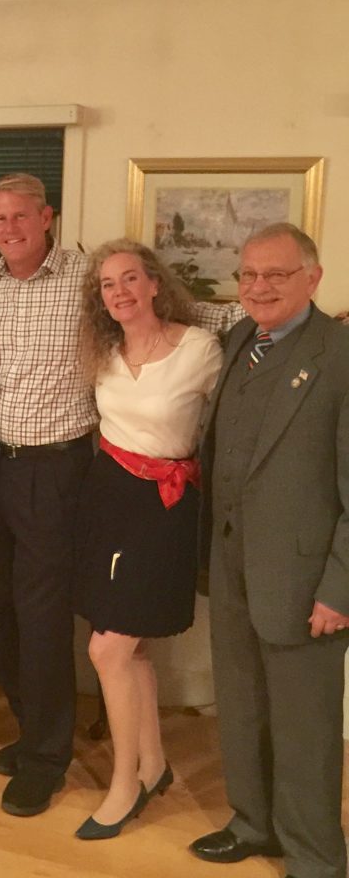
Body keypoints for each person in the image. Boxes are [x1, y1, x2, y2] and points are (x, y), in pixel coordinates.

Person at [0, 172, 240, 818]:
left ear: (47, 216)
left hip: (59, 471)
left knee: (44, 616)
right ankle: (34, 728)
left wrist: (285, 318)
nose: (9, 229)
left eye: (21, 216)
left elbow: (184, 315)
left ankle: (46, 757)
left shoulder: (89, 278)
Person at [190, 223, 349, 878]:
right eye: (248, 274)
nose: (258, 287)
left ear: (312, 278)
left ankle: (316, 858)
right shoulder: (238, 342)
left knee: (306, 730)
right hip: (232, 565)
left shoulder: (340, 354)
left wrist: (339, 590)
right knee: (243, 703)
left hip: (305, 575)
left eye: (276, 275)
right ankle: (253, 822)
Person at [72, 239, 222, 839]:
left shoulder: (201, 349)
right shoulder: (103, 353)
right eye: (108, 284)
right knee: (128, 650)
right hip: (108, 498)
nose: (121, 292)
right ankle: (154, 764)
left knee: (105, 651)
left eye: (130, 278)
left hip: (165, 506)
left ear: (155, 283)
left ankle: (124, 783)